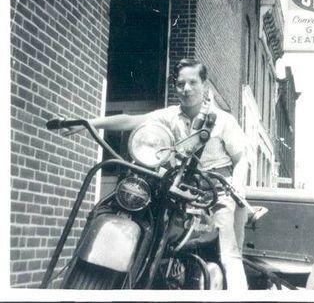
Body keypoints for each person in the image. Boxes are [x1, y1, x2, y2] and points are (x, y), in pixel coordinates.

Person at [74, 59, 249, 290]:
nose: (186, 89)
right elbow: (130, 120)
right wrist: (89, 123)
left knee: (229, 254)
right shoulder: (170, 115)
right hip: (179, 189)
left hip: (215, 192)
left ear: (205, 85)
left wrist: (236, 190)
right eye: (180, 84)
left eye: (192, 82)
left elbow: (241, 158)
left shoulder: (224, 121)